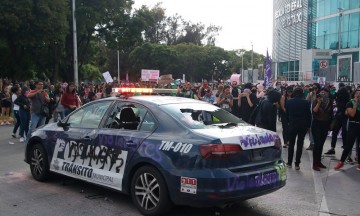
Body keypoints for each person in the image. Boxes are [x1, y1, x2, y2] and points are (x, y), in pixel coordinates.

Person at [286, 88, 311, 170]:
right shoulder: (305, 102)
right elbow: (309, 115)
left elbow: (287, 114)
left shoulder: (289, 101)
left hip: (292, 125)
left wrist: (288, 123)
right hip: (302, 125)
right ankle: (297, 164)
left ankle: (289, 162)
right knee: (300, 144)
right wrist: (308, 126)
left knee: (291, 144)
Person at [334, 89, 360, 171]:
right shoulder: (350, 103)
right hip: (353, 125)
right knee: (348, 145)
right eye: (357, 93)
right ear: (354, 95)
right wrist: (355, 104)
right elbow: (352, 114)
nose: (359, 95)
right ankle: (341, 162)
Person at [312, 88, 334, 171]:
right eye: (321, 93)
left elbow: (331, 114)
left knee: (321, 144)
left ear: (328, 94)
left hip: (325, 124)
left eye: (325, 93)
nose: (323, 94)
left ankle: (318, 162)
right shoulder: (316, 101)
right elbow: (314, 111)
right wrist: (319, 102)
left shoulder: (330, 102)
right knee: (317, 144)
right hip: (316, 124)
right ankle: (314, 163)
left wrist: (331, 124)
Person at [325, 84, 350, 155]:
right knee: (342, 133)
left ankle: (334, 148)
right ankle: (344, 149)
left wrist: (334, 93)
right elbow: (332, 97)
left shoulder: (341, 98)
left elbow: (332, 97)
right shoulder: (346, 98)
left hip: (340, 117)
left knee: (336, 132)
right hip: (343, 117)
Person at [305, 83, 321, 150]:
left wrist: (315, 94)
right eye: (313, 88)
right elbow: (306, 100)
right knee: (311, 129)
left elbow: (315, 101)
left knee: (317, 129)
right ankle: (312, 143)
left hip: (318, 114)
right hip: (311, 113)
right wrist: (309, 92)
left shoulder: (320, 95)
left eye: (315, 88)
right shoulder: (311, 93)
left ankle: (316, 143)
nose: (314, 89)